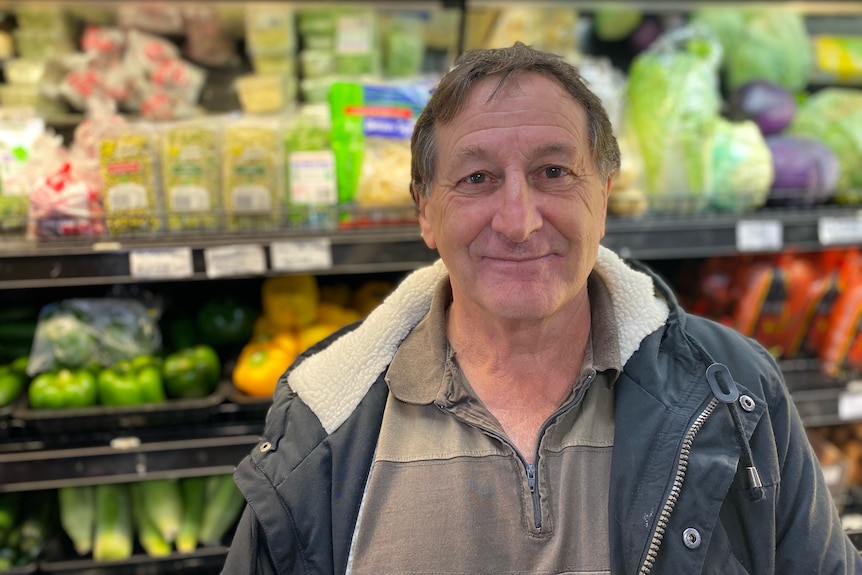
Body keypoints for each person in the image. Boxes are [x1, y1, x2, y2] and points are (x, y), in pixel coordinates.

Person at [222, 42, 862, 574]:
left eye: (554, 171)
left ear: (604, 195)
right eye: (477, 178)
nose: (519, 221)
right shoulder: (324, 423)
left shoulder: (735, 389)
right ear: (424, 210)